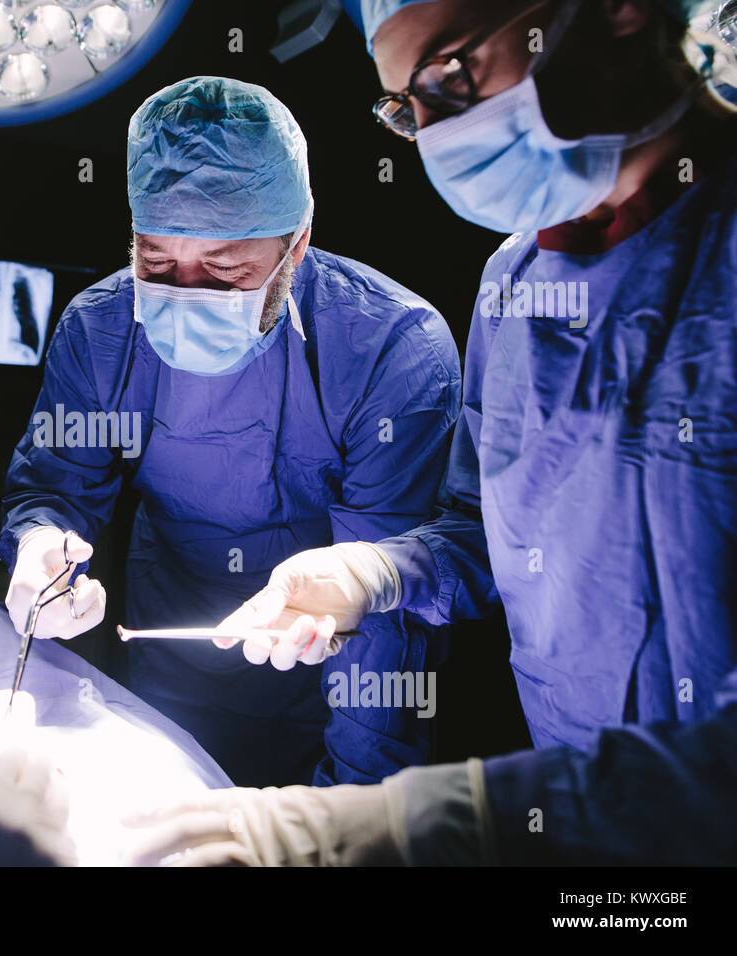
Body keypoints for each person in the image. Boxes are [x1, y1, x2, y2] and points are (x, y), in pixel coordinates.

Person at [126, 0, 737, 864]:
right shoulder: (517, 283)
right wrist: (372, 573)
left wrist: (446, 819)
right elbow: (486, 532)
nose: (441, 138)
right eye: (408, 110)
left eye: (450, 76)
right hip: (593, 831)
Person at [0, 76, 462, 787]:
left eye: (226, 270)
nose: (186, 294)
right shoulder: (99, 330)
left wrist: (357, 805)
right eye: (157, 262)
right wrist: (40, 545)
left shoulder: (391, 349)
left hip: (338, 659)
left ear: (297, 246)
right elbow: (55, 487)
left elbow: (383, 607)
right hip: (171, 653)